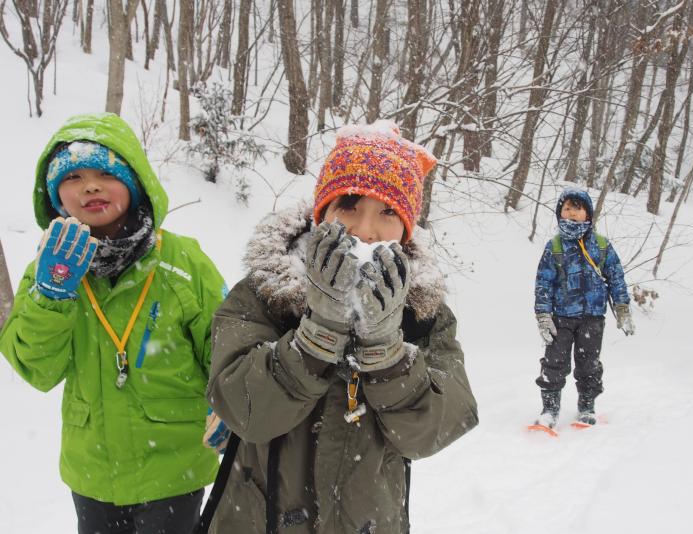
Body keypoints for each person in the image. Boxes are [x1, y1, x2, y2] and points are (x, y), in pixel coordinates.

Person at [206, 121, 478, 533]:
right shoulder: (265, 292)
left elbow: (433, 429)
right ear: (323, 213)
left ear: (407, 227)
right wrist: (316, 336)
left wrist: (387, 353)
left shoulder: (424, 314)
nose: (365, 230)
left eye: (388, 211)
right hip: (258, 517)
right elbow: (242, 409)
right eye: (349, 205)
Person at [0, 113, 227, 533]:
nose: (90, 186)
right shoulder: (49, 268)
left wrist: (230, 402)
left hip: (174, 465)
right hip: (93, 470)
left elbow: (225, 342)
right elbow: (37, 368)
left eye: (107, 172)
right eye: (73, 177)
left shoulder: (182, 260)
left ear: (135, 183)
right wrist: (52, 294)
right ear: (55, 197)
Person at [533, 188, 634, 430]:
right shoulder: (554, 246)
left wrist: (622, 306)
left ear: (588, 214)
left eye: (576, 208)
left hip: (592, 318)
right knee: (553, 363)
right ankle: (549, 409)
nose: (570, 213)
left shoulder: (601, 245)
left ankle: (587, 406)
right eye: (566, 208)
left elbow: (616, 277)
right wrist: (543, 315)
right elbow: (543, 282)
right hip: (561, 317)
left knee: (588, 364)